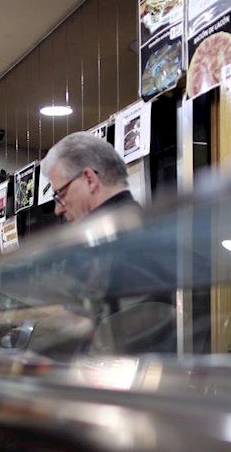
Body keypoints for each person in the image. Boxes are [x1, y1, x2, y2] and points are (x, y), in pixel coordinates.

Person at [39, 133, 177, 355]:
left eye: (60, 194)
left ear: (90, 179)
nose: (58, 209)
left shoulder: (122, 241)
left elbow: (133, 335)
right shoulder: (133, 229)